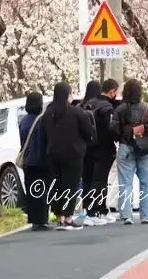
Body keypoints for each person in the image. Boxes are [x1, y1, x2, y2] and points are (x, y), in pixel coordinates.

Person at [40, 81, 95, 228]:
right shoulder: (77, 113)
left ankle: (59, 217)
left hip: (52, 154)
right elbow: (88, 133)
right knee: (70, 186)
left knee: (57, 185)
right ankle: (69, 217)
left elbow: (43, 135)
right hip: (73, 154)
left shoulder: (47, 114)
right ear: (67, 95)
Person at [113, 79, 148, 224]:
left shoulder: (120, 110)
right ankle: (146, 215)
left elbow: (114, 130)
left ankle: (126, 215)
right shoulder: (147, 108)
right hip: (147, 149)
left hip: (126, 147)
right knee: (147, 183)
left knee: (125, 183)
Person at [80, 79, 120, 225]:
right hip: (103, 149)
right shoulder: (107, 108)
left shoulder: (86, 105)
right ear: (112, 91)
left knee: (88, 180)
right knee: (100, 181)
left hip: (87, 149)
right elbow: (112, 130)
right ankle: (98, 211)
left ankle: (90, 211)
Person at [17, 93, 51, 230]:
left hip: (27, 161)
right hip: (41, 161)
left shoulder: (23, 121)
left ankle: (34, 220)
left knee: (31, 191)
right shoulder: (41, 120)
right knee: (43, 190)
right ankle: (42, 220)